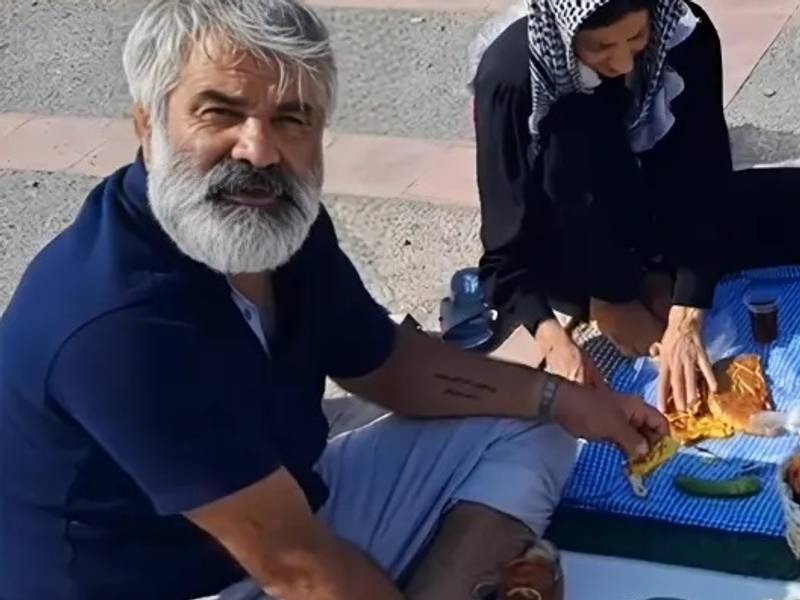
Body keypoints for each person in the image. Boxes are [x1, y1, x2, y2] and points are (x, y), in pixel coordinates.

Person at [0, 1, 668, 599]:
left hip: (287, 506)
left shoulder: (272, 219)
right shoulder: (116, 324)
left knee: (537, 424)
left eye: (292, 118)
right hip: (177, 579)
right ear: (148, 124)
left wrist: (563, 398)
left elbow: (386, 364)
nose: (259, 151)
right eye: (220, 112)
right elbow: (298, 571)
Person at [471, 0, 800, 412]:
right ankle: (615, 295)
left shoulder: (684, 35)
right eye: (600, 47)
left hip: (664, 221)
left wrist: (688, 310)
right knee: (576, 127)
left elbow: (705, 178)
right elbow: (505, 248)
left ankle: (659, 276)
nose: (625, 63)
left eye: (637, 37)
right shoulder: (512, 75)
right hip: (576, 249)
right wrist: (557, 345)